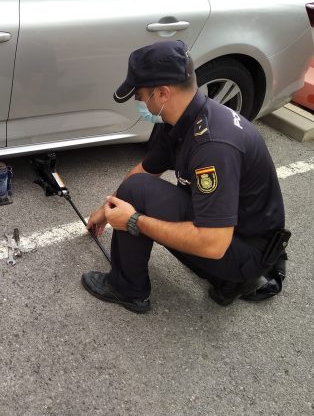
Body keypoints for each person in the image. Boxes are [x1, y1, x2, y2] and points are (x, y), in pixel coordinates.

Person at [82, 40, 289, 313]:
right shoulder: (187, 118)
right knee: (136, 187)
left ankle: (128, 289)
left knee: (136, 195)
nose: (139, 102)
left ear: (163, 93)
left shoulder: (213, 146)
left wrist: (133, 221)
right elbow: (144, 170)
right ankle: (227, 278)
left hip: (242, 250)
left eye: (141, 95)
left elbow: (213, 244)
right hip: (241, 234)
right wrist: (105, 208)